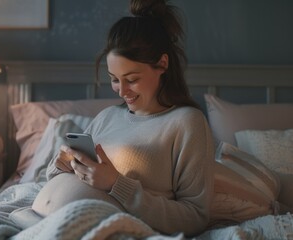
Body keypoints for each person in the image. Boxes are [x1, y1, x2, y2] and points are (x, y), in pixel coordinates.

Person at [31, 0, 214, 237]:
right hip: (34, 221)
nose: (121, 90)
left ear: (162, 64)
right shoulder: (108, 116)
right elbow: (79, 180)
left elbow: (195, 218)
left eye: (132, 79)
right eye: (115, 79)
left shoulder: (187, 123)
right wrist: (62, 168)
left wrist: (117, 184)